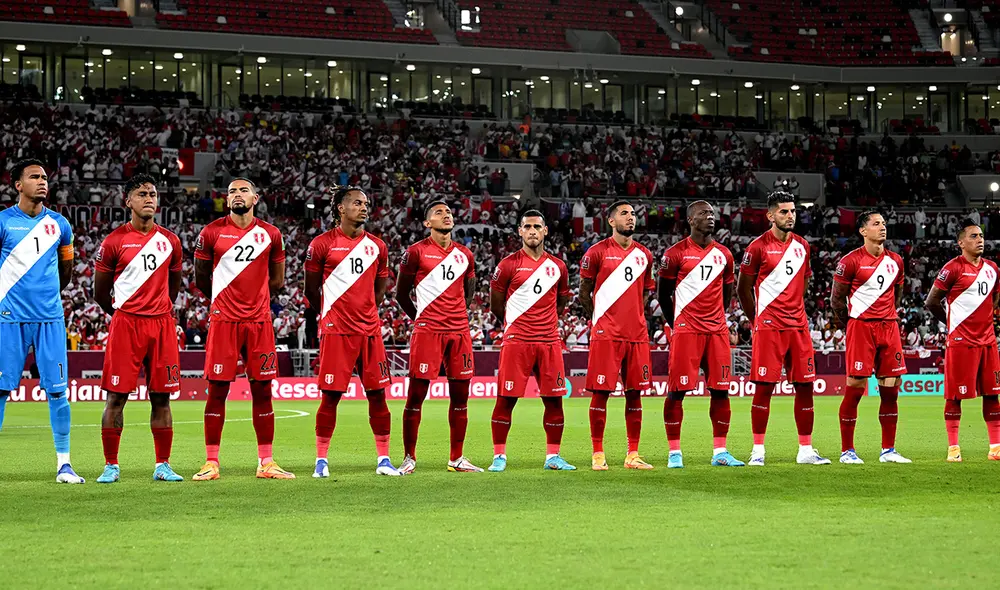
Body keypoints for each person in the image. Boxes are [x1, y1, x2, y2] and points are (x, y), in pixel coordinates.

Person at [191, 178, 294, 481]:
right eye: (232, 191)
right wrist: (226, 300)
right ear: (227, 199)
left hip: (259, 322)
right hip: (224, 321)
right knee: (217, 390)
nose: (237, 195)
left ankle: (266, 461)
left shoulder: (271, 234)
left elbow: (277, 281)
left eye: (243, 190)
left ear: (255, 197)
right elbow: (200, 279)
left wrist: (254, 301)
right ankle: (211, 462)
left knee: (263, 390)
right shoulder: (211, 232)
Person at [93, 173, 184, 483]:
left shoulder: (170, 241)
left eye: (153, 194)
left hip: (161, 325)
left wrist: (158, 309)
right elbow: (100, 293)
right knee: (116, 397)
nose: (149, 199)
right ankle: (111, 465)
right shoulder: (114, 241)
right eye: (143, 193)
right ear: (127, 201)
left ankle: (163, 465)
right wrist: (125, 312)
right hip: (126, 324)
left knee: (162, 398)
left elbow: (174, 287)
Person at [304, 187, 400, 478]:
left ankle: (384, 459)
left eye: (366, 203)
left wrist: (364, 311)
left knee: (378, 395)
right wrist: (331, 313)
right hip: (337, 331)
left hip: (369, 331)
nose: (364, 207)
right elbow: (311, 289)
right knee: (331, 396)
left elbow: (380, 291)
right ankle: (321, 461)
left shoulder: (378, 247)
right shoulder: (321, 244)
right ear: (341, 208)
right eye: (357, 203)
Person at [0, 159, 84, 484]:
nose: (42, 181)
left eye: (45, 177)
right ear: (18, 184)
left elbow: (66, 271)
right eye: (34, 177)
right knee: (0, 390)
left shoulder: (61, 225)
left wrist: (47, 299)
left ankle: (64, 465)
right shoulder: (4, 222)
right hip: (9, 319)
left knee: (58, 392)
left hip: (50, 319)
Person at [737, 191, 830, 466]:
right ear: (770, 215)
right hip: (769, 326)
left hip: (798, 326)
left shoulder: (803, 246)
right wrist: (757, 319)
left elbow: (804, 284)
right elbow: (743, 289)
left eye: (792, 211)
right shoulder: (757, 247)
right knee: (764, 388)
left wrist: (796, 311)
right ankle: (758, 451)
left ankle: (805, 450)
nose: (790, 216)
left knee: (805, 386)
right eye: (784, 212)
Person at [395, 201, 482, 474]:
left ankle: (456, 458)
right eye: (438, 213)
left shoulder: (465, 254)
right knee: (416, 396)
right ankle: (409, 457)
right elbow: (401, 295)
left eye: (448, 212)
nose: (446, 215)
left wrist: (457, 315)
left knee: (460, 397)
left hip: (459, 332)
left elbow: (468, 292)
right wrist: (421, 319)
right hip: (428, 331)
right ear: (427, 223)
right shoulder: (416, 252)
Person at [657, 201, 743, 468]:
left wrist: (719, 319)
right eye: (704, 214)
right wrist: (678, 323)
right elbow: (663, 294)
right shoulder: (674, 254)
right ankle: (674, 453)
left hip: (716, 331)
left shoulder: (725, 255)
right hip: (687, 330)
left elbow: (728, 292)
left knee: (721, 390)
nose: (711, 218)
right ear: (690, 220)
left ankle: (720, 452)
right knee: (677, 391)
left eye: (713, 214)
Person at [487, 210, 574, 472]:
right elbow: (496, 305)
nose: (533, 231)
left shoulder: (558, 266)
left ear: (546, 230)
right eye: (528, 227)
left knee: (554, 401)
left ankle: (553, 457)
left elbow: (561, 301)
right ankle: (499, 457)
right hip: (518, 340)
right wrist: (517, 324)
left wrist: (545, 324)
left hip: (549, 341)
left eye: (538, 226)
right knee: (506, 398)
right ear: (520, 231)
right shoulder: (507, 265)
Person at [578, 200, 655, 471]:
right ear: (611, 221)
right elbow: (583, 292)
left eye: (633, 214)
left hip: (636, 334)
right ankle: (598, 453)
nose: (631, 218)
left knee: (635, 394)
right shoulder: (596, 252)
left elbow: (646, 291)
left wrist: (634, 315)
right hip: (606, 334)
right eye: (624, 214)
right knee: (601, 393)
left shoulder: (644, 254)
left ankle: (632, 455)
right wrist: (600, 319)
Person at [830, 210, 910, 465]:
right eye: (876, 224)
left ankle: (888, 450)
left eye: (884, 223)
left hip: (889, 328)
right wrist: (852, 325)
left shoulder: (896, 260)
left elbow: (897, 293)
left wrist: (888, 315)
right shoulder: (850, 261)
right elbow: (836, 300)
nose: (882, 227)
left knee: (890, 391)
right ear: (863, 231)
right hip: (861, 328)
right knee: (855, 388)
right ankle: (847, 451)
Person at [924, 219, 1000, 462]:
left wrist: (985, 320)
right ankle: (954, 449)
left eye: (981, 236)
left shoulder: (993, 269)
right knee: (954, 396)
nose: (980, 240)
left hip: (988, 342)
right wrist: (952, 323)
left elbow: (994, 299)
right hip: (961, 342)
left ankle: (996, 448)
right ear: (961, 243)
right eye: (974, 236)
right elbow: (932, 301)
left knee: (992, 394)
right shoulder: (952, 268)